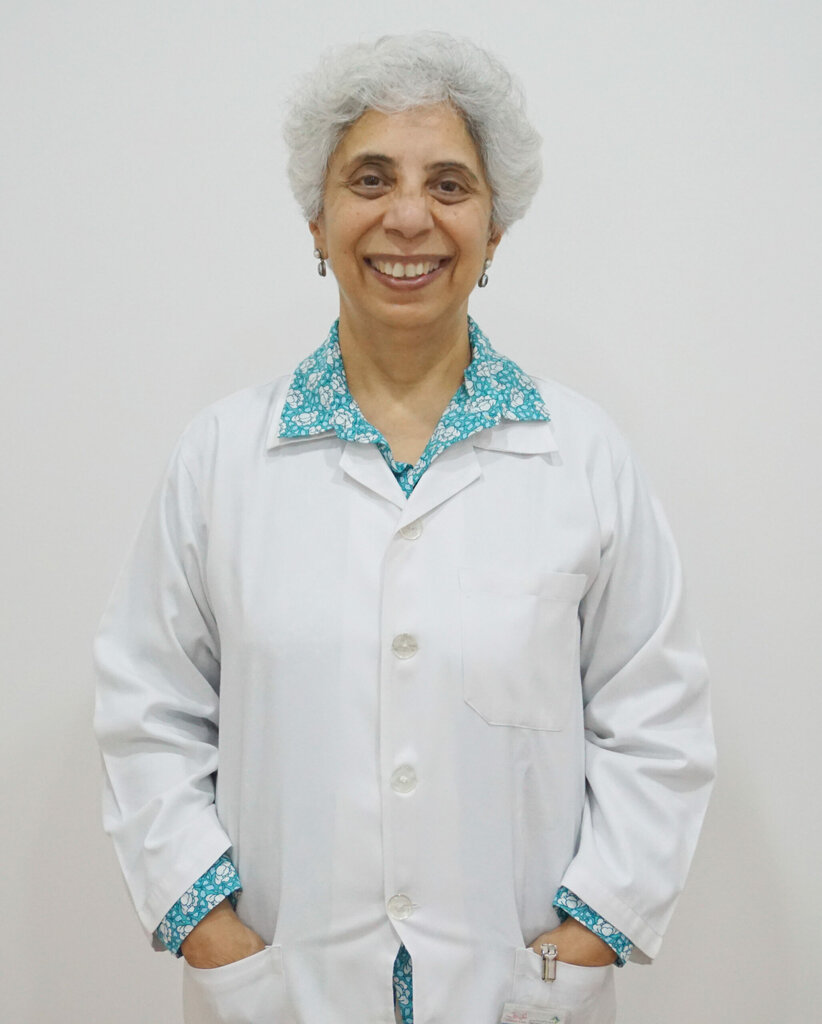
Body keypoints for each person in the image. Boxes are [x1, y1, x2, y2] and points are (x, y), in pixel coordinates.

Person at [93, 31, 716, 1024]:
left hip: (517, 990)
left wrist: (584, 940)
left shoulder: (583, 456)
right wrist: (217, 939)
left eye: (450, 185)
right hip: (282, 988)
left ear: (495, 229)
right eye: (371, 179)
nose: (409, 217)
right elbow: (149, 713)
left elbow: (655, 723)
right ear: (317, 218)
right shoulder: (220, 457)